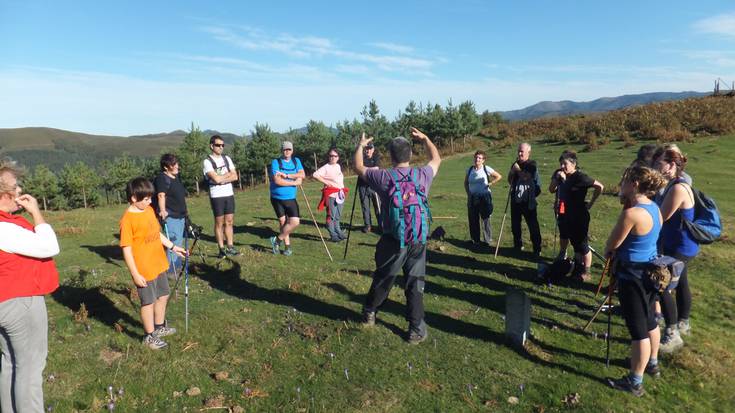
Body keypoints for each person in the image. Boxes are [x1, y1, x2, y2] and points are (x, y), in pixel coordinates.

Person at [355, 127, 441, 344]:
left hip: (393, 240)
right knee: (414, 283)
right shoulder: (422, 175)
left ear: (390, 156)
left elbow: (358, 166)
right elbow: (436, 158)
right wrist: (426, 138)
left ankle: (370, 312)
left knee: (384, 279)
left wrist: (361, 146)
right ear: (410, 154)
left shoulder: (383, 177)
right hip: (418, 239)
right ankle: (415, 330)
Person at [0, 160, 60, 412]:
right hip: (20, 301)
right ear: (4, 194)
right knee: (31, 367)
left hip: (4, 302)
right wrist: (36, 212)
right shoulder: (5, 228)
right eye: (16, 186)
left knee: (10, 363)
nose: (21, 191)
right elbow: (50, 246)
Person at [604, 166, 666, 396]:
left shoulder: (632, 214)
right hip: (651, 272)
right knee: (650, 321)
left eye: (626, 180)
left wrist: (609, 252)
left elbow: (612, 244)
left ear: (635, 184)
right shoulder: (655, 209)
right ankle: (652, 362)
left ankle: (635, 381)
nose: (623, 183)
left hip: (632, 275)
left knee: (638, 329)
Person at [119, 177, 187, 350]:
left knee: (163, 295)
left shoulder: (148, 210)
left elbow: (157, 234)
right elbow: (126, 249)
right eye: (146, 198)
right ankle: (149, 337)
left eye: (151, 197)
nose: (150, 201)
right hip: (143, 269)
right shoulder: (127, 220)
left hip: (158, 262)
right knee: (148, 302)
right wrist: (135, 274)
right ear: (134, 197)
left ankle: (159, 327)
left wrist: (173, 247)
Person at [653, 147, 698, 353]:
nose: (656, 167)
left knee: (661, 284)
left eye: (659, 163)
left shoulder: (678, 188)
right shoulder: (673, 184)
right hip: (679, 243)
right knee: (681, 284)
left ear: (671, 165)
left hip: (680, 246)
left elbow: (661, 217)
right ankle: (683, 323)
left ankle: (672, 334)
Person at [548, 150, 604, 281]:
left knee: (582, 245)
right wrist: (558, 179)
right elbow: (551, 190)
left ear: (573, 164)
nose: (562, 166)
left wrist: (591, 202)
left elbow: (600, 186)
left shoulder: (580, 177)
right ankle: (578, 269)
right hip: (566, 214)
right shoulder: (561, 175)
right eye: (561, 164)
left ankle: (587, 272)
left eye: (565, 164)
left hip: (579, 215)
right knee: (575, 244)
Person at [203, 135, 239, 259]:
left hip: (229, 194)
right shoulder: (207, 161)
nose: (221, 147)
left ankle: (230, 247)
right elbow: (216, 179)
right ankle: (221, 249)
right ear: (211, 146)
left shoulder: (227, 158)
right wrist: (226, 176)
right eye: (218, 145)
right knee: (219, 222)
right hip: (216, 195)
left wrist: (221, 179)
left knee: (229, 221)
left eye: (223, 145)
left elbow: (235, 177)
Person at [153, 153, 188, 275]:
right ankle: (171, 270)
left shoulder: (176, 177)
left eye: (177, 163)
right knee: (174, 241)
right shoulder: (162, 178)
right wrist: (163, 211)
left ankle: (175, 266)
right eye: (174, 164)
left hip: (180, 215)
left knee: (178, 241)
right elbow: (161, 195)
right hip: (171, 216)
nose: (177, 166)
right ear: (166, 167)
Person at [269, 141, 305, 256]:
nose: (287, 151)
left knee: (295, 222)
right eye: (285, 149)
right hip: (277, 197)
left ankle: (277, 240)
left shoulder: (296, 161)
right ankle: (287, 247)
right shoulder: (276, 162)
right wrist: (294, 182)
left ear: (292, 150)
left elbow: (302, 175)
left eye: (289, 149)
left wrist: (288, 176)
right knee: (283, 222)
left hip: (290, 197)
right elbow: (277, 181)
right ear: (282, 150)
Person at [508, 142, 542, 256]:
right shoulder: (515, 163)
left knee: (532, 225)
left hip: (528, 200)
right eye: (519, 151)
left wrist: (517, 170)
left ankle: (537, 248)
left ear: (528, 152)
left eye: (522, 151)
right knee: (515, 225)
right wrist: (512, 172)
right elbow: (510, 180)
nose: (519, 153)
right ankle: (517, 246)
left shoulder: (532, 164)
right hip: (515, 199)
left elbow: (527, 177)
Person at [465, 150, 502, 248]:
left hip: (484, 197)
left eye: (480, 158)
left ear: (483, 160)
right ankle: (475, 240)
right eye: (476, 157)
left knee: (485, 218)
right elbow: (466, 182)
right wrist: (468, 194)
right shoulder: (469, 170)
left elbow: (498, 176)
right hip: (472, 197)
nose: (477, 159)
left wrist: (491, 183)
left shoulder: (486, 168)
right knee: (473, 218)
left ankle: (487, 240)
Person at [313, 148, 349, 242]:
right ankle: (333, 235)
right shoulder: (326, 167)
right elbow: (315, 174)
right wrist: (326, 182)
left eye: (335, 156)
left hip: (340, 194)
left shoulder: (337, 166)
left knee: (337, 216)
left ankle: (338, 232)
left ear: (338, 157)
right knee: (331, 216)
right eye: (331, 156)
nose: (332, 157)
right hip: (331, 194)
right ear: (328, 157)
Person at [356, 143, 382, 233]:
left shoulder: (376, 157)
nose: (368, 150)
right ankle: (368, 226)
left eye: (370, 148)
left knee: (378, 207)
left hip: (374, 187)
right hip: (362, 186)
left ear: (373, 149)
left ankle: (381, 225)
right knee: (365, 207)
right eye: (366, 148)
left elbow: (377, 168)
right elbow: (358, 168)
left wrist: (364, 169)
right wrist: (365, 169)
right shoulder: (361, 158)